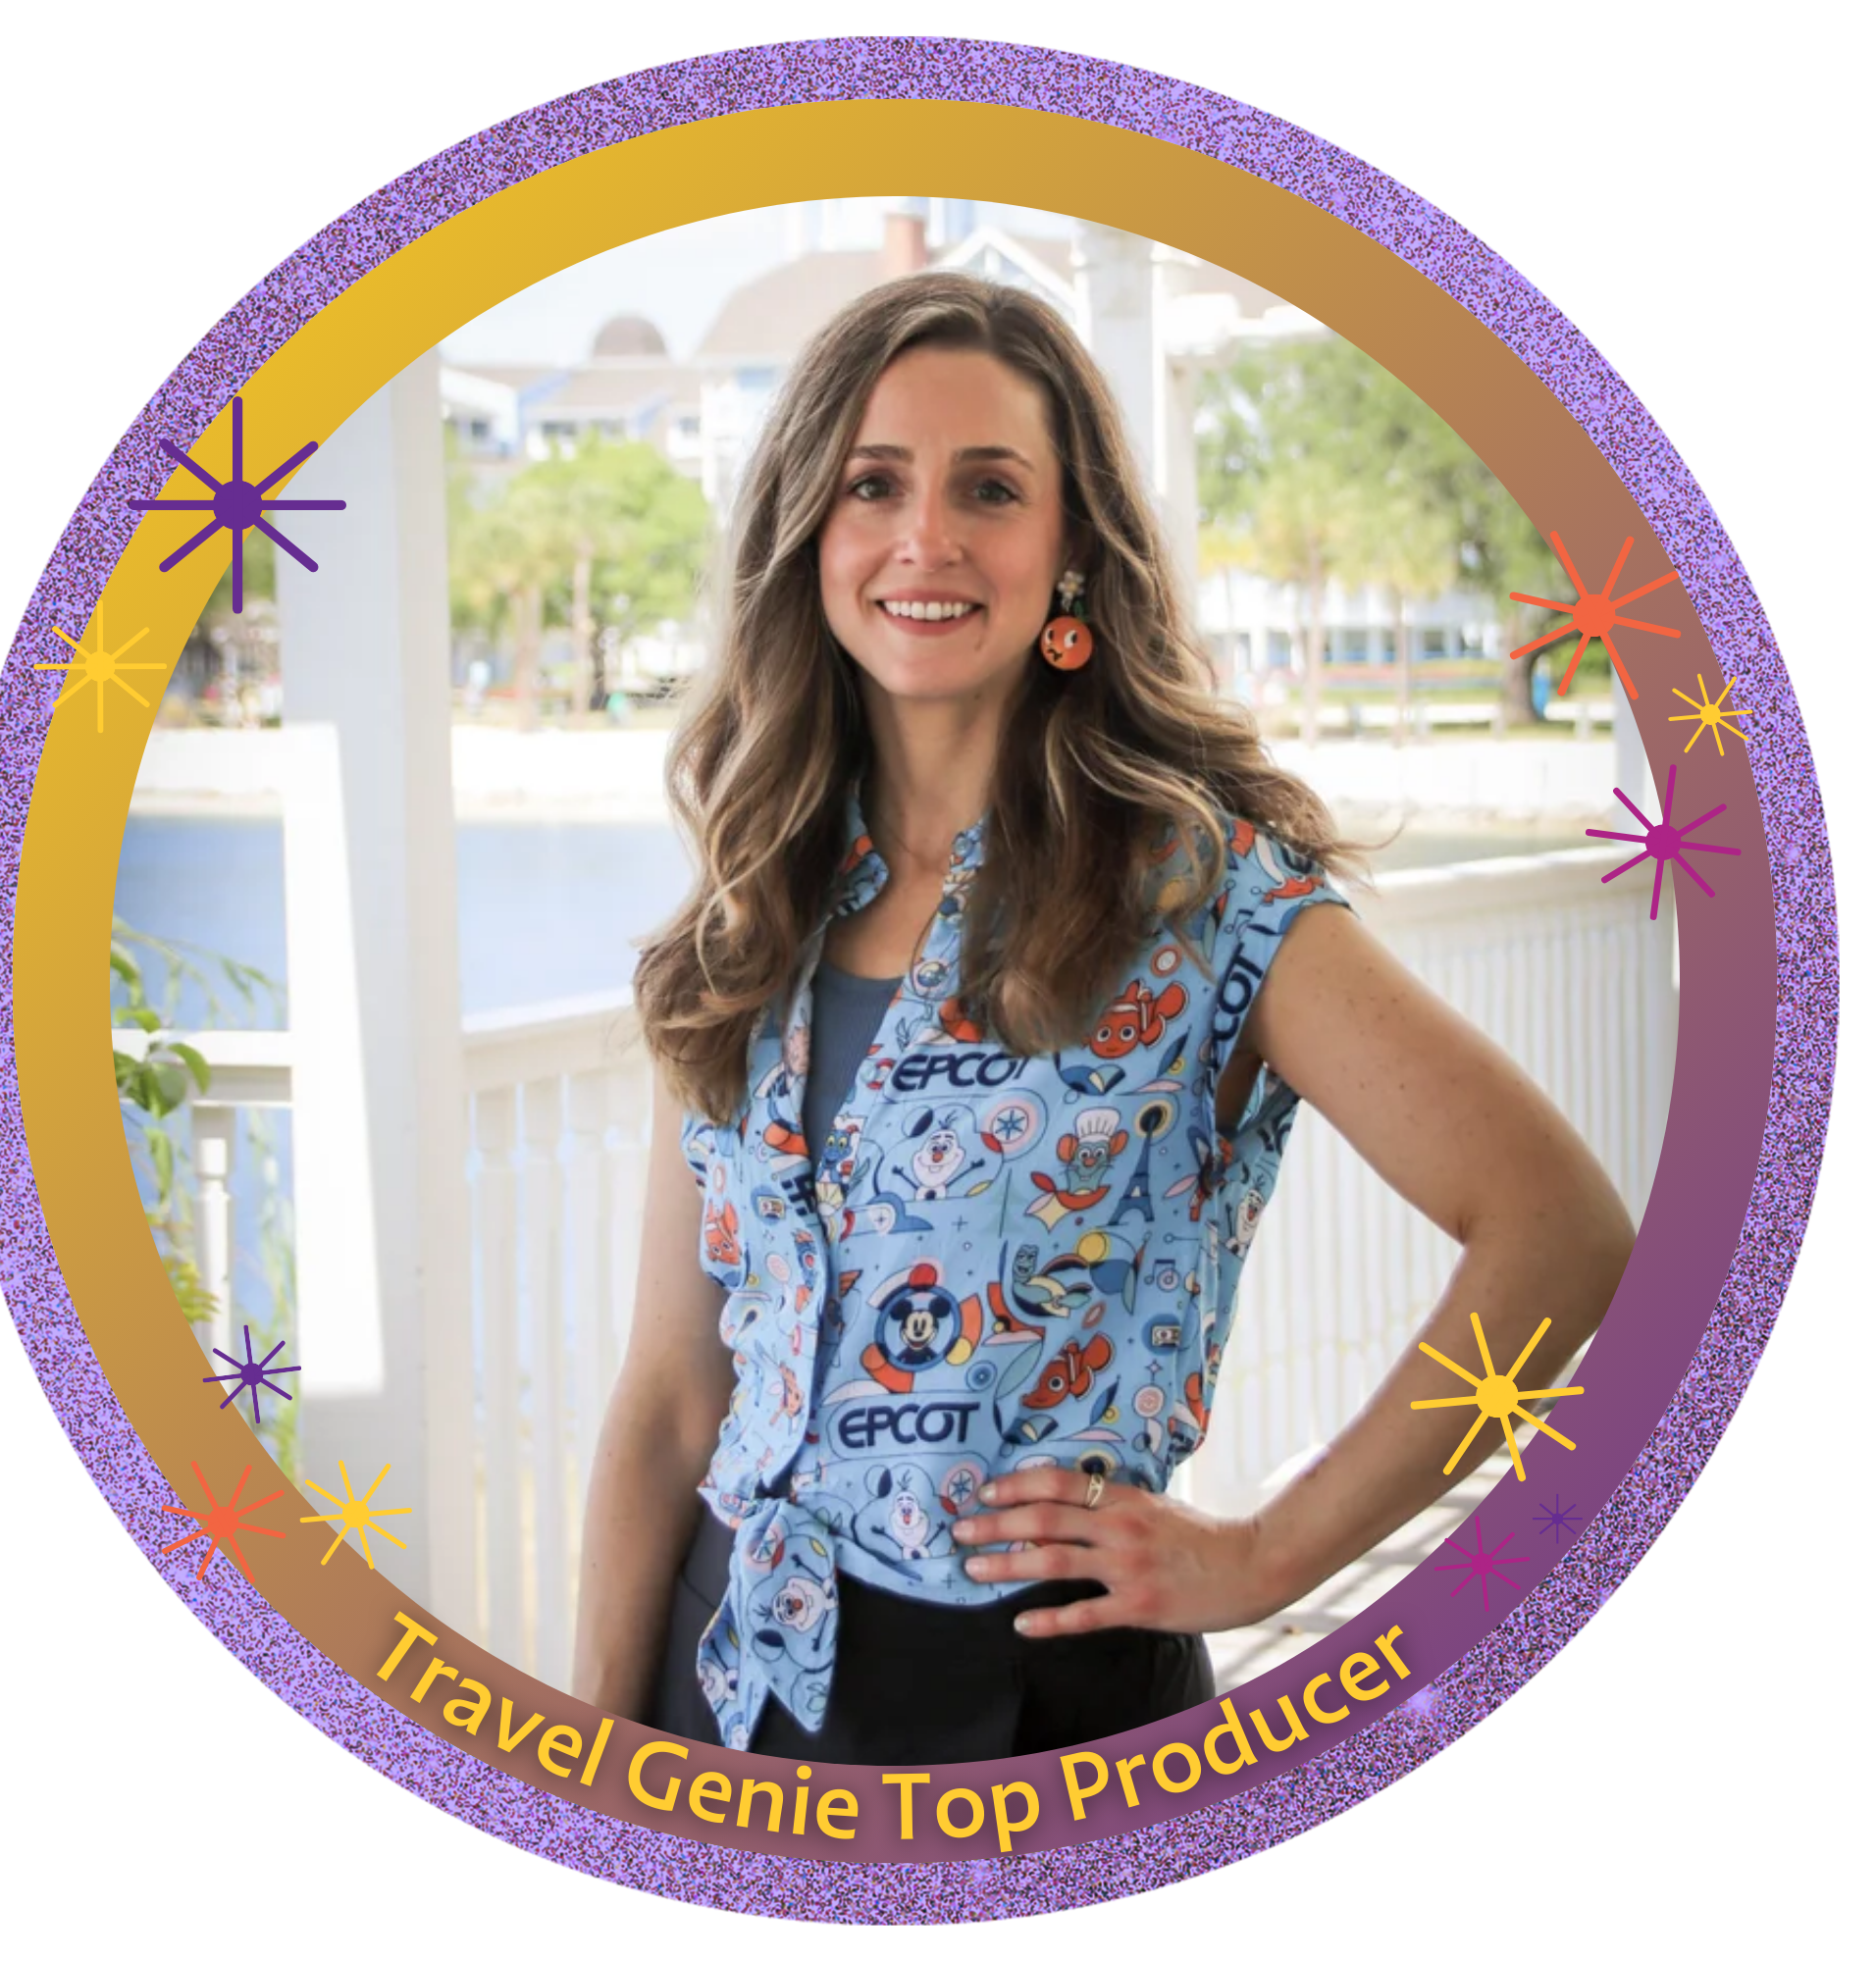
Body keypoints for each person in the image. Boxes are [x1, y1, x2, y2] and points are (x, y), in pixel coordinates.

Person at [570, 271, 1633, 1763]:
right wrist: (588, 1765)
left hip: (1034, 1714)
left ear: (1069, 548)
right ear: (810, 530)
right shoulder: (757, 898)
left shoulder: (1208, 899)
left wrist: (1266, 1557)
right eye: (874, 484)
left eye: (990, 489)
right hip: (722, 1678)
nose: (925, 539)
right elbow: (674, 1400)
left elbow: (1560, 1229)